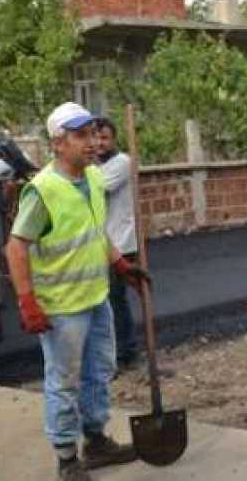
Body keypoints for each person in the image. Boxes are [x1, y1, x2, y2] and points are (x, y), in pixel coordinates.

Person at [5, 102, 150, 481]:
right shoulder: (43, 190)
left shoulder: (95, 179)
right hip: (61, 308)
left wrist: (119, 263)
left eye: (93, 134)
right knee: (64, 381)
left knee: (99, 372)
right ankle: (67, 457)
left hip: (95, 296)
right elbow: (16, 246)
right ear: (57, 143)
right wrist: (26, 300)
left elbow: (95, 231)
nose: (91, 142)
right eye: (81, 136)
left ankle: (97, 440)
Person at [94, 117, 140, 371]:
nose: (100, 143)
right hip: (100, 243)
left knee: (114, 300)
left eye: (105, 138)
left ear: (114, 140)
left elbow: (93, 188)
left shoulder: (121, 163)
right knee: (106, 302)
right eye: (96, 137)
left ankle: (125, 352)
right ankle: (113, 352)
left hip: (120, 243)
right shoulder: (94, 166)